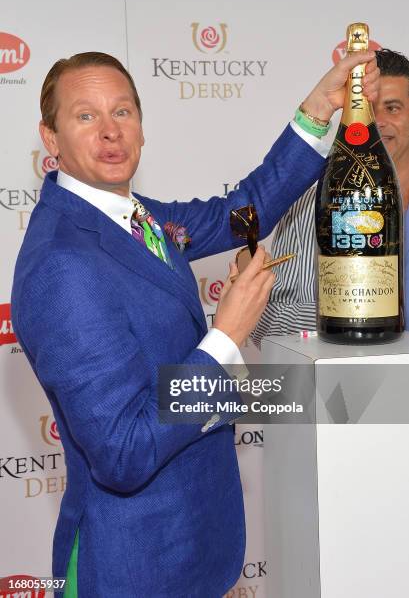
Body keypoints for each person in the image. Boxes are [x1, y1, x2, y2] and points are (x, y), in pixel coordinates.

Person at [11, 50, 378, 597]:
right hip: (136, 567)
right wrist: (225, 336)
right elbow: (124, 450)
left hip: (194, 549)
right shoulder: (62, 263)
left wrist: (318, 107)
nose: (111, 132)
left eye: (123, 112)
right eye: (85, 116)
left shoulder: (143, 218)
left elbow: (247, 207)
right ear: (51, 137)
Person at [251, 48, 409, 347]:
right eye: (368, 108)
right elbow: (271, 322)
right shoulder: (308, 205)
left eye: (392, 108)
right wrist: (351, 315)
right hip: (336, 387)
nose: (378, 122)